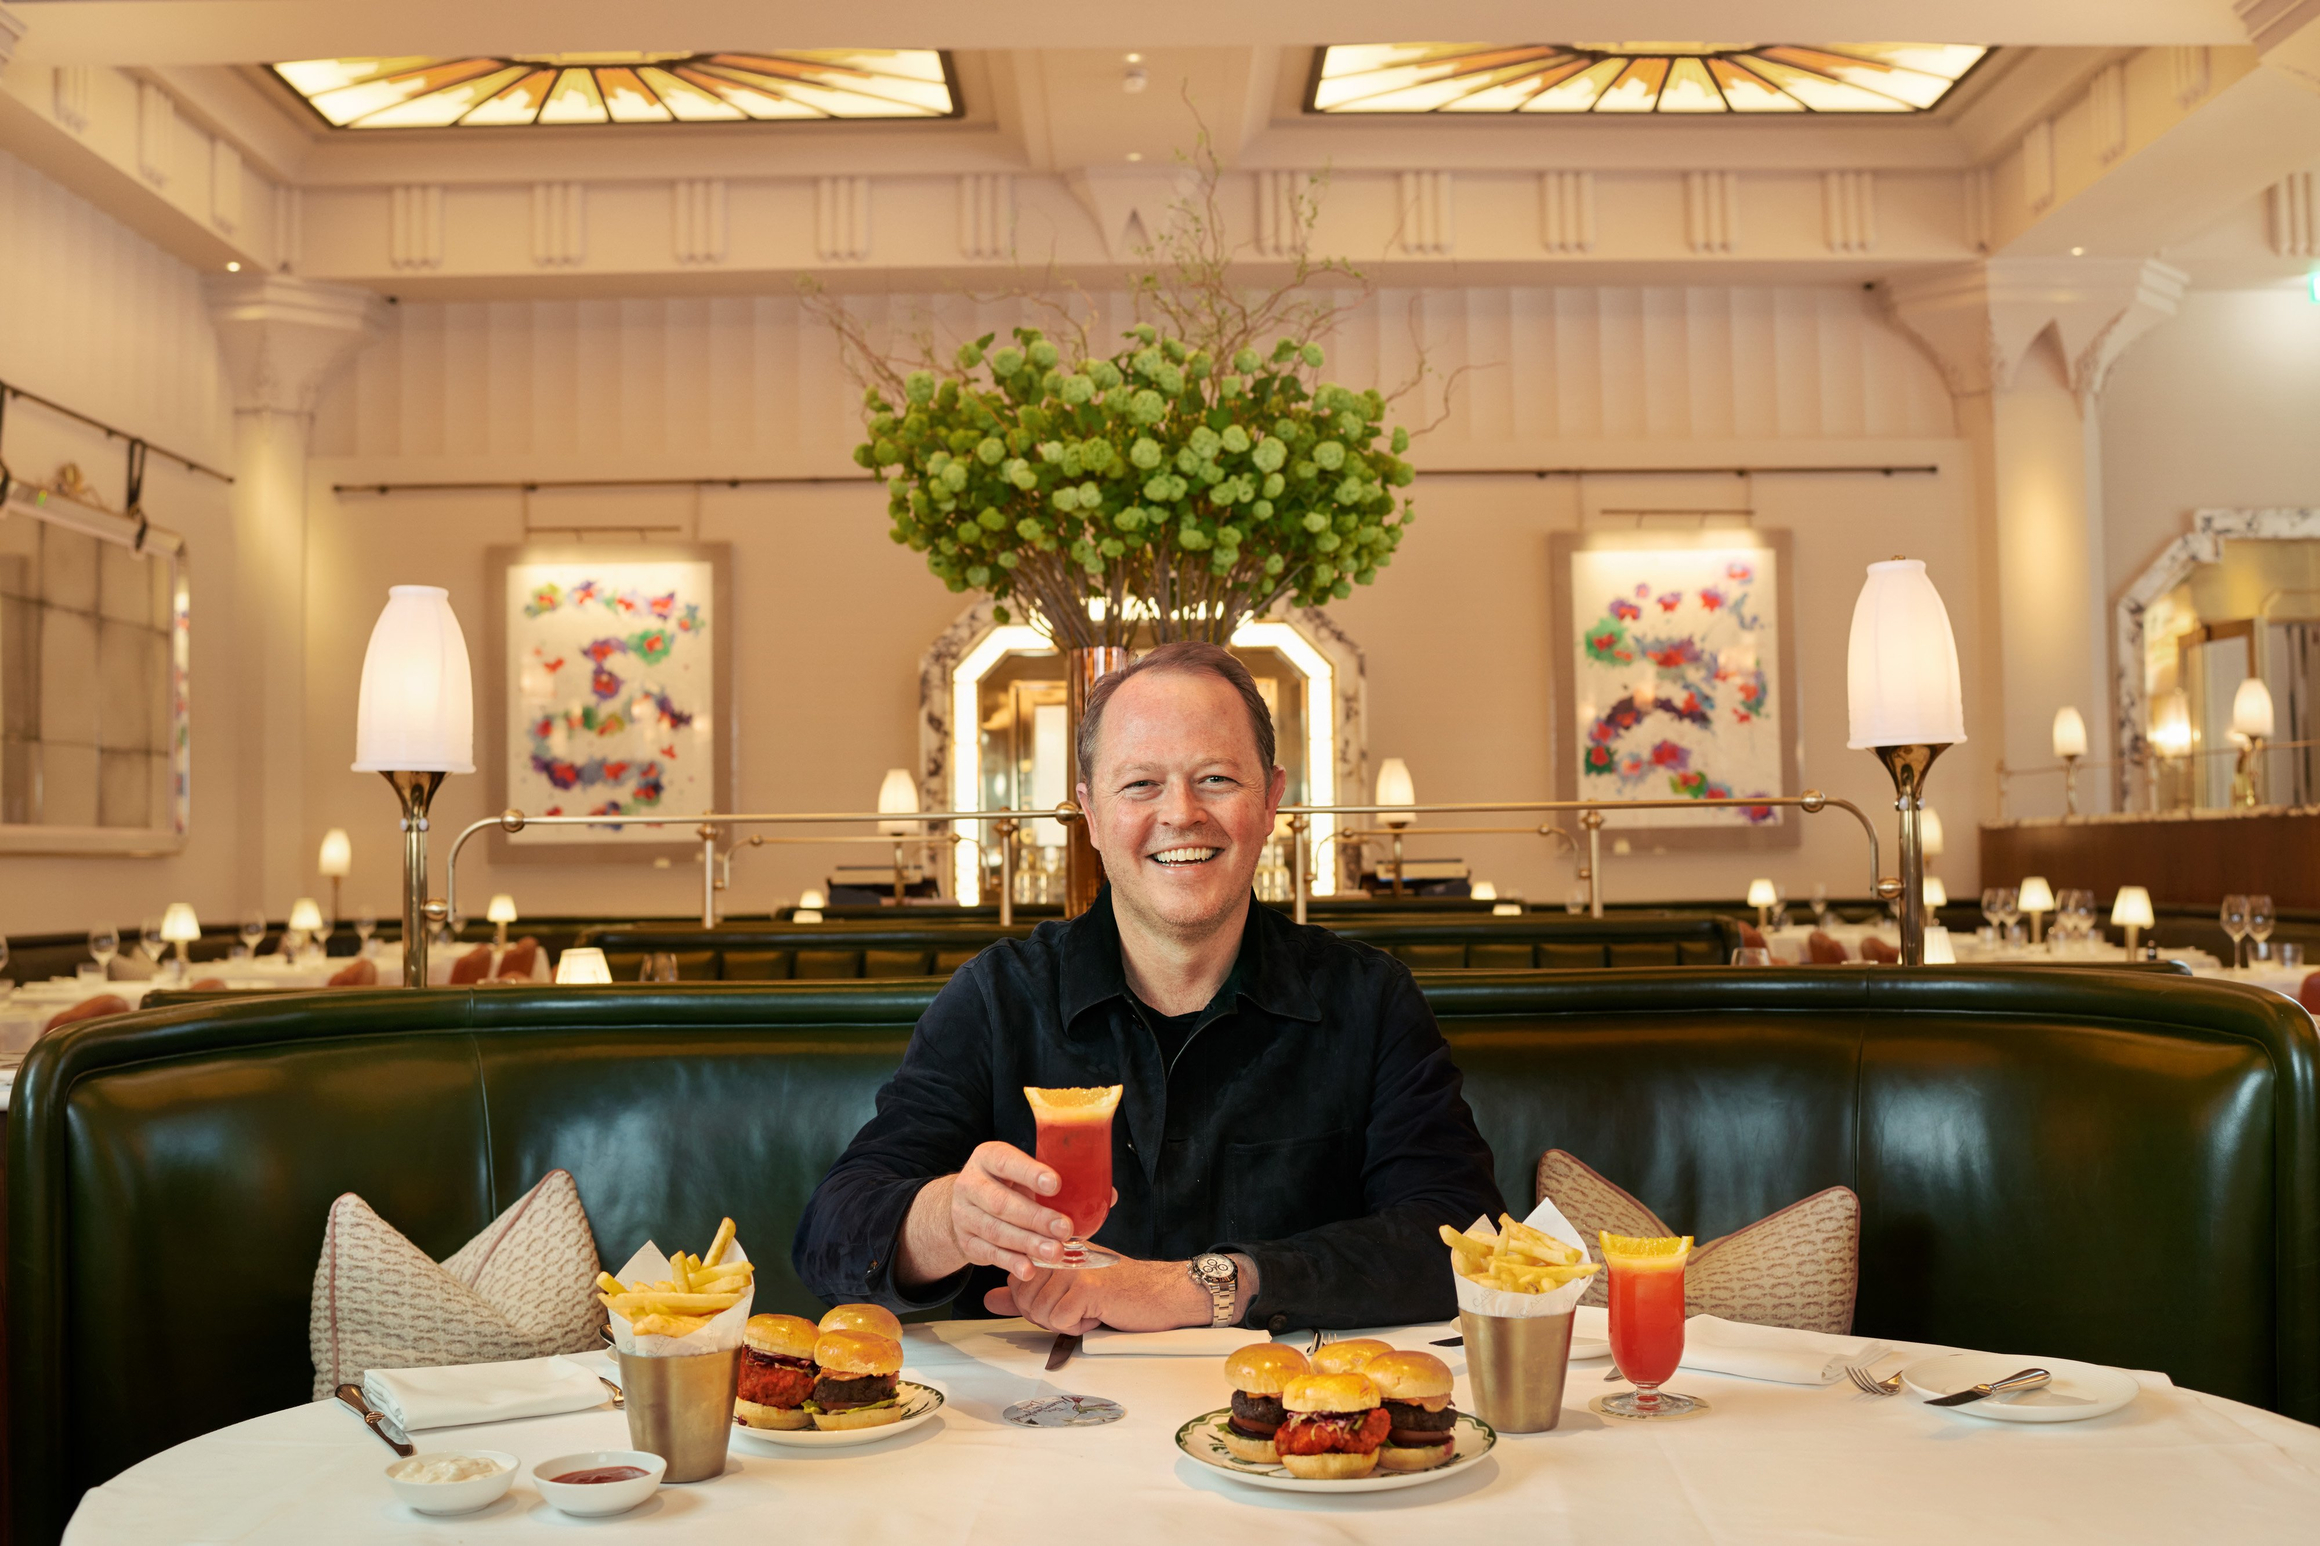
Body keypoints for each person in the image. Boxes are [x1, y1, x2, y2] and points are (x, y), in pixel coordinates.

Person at [791, 641, 1503, 1334]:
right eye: (1140, 784)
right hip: (1036, 1428)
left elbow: (1462, 1236)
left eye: (1217, 778)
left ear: (1271, 800)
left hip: (1290, 1425)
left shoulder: (1368, 1000)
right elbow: (830, 1236)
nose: (1182, 812)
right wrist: (948, 1218)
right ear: (1091, 814)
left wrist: (1202, 1286)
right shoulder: (997, 1000)